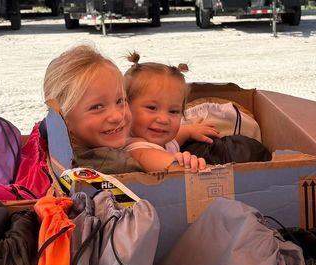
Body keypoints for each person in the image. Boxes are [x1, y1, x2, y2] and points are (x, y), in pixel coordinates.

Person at [43, 44, 204, 173]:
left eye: (121, 101)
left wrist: (189, 130)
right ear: (63, 118)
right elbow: (181, 174)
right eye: (97, 107)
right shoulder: (116, 164)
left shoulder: (66, 144)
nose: (117, 116)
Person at [123, 52, 219, 170]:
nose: (164, 120)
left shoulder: (159, 138)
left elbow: (175, 139)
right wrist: (191, 166)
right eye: (152, 108)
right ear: (125, 107)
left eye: (173, 111)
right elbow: (175, 169)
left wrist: (189, 130)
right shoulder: (138, 150)